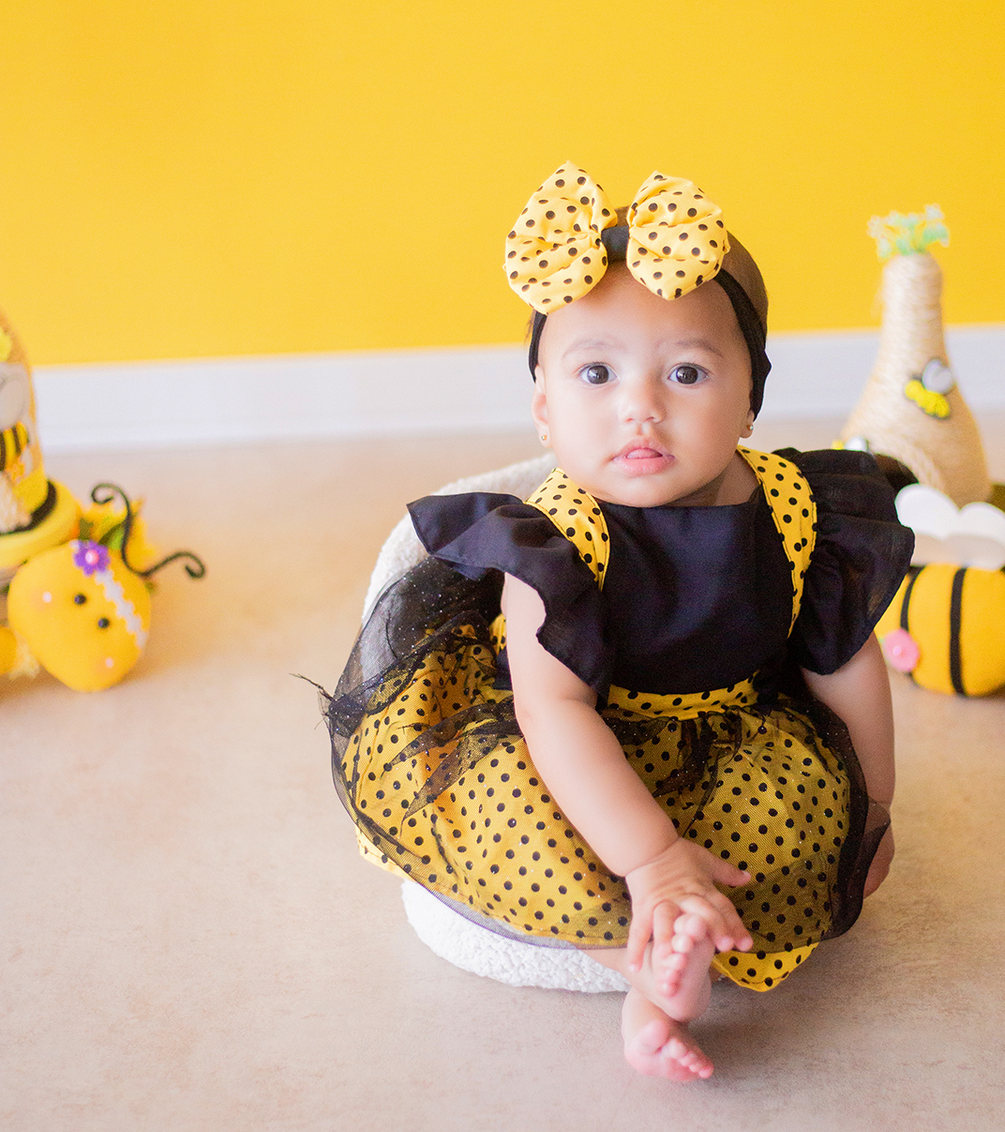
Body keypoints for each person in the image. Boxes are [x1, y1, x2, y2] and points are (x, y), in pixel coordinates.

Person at [325, 165, 914, 1081]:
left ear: (749, 400)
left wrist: (872, 805)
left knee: (800, 832)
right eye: (596, 373)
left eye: (687, 372)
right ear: (546, 412)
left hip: (731, 726)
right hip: (563, 739)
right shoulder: (555, 543)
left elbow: (843, 661)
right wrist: (651, 861)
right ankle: (643, 963)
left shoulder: (800, 509)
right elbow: (552, 710)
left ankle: (683, 935)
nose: (641, 405)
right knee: (506, 818)